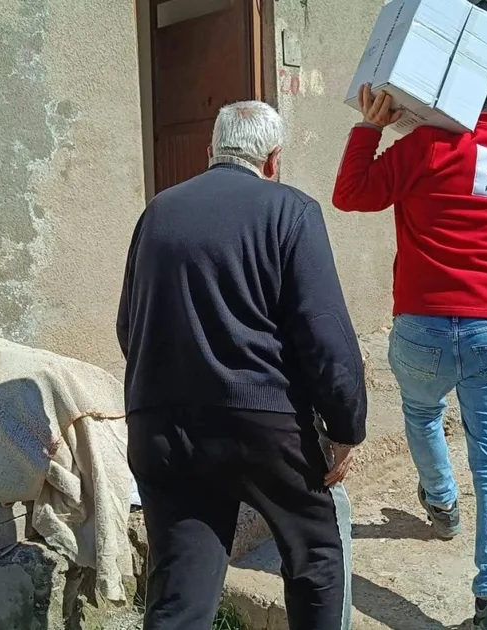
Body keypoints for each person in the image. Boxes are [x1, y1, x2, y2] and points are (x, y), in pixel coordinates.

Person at [118, 100, 367, 630]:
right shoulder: (291, 211)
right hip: (263, 424)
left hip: (161, 426)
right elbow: (325, 335)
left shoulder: (157, 213)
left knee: (182, 589)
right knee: (315, 558)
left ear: (210, 152)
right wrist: (345, 427)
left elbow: (128, 326)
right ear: (274, 160)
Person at [331, 59, 487, 630]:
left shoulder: (427, 147)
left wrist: (370, 127)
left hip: (423, 327)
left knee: (422, 411)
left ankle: (443, 505)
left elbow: (350, 193)